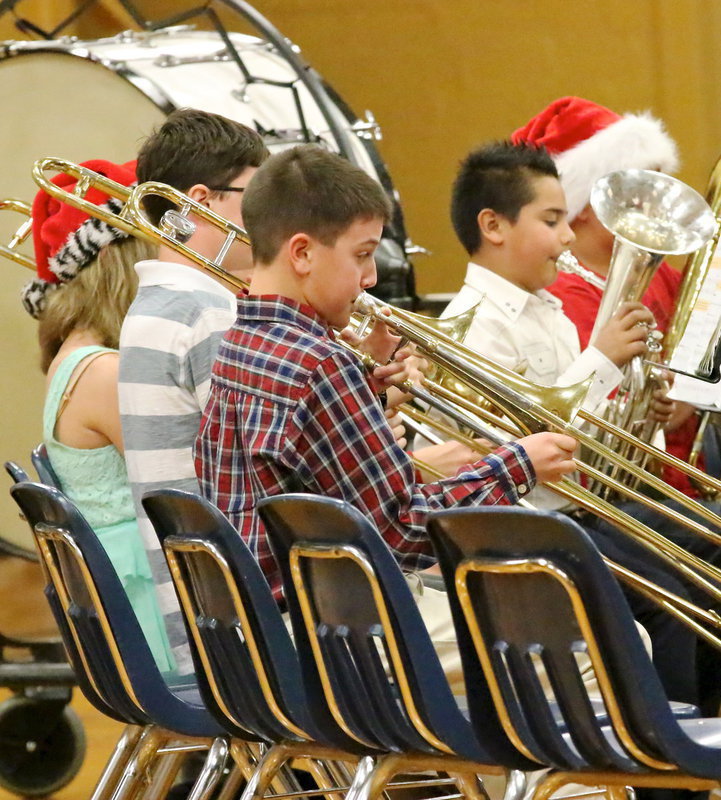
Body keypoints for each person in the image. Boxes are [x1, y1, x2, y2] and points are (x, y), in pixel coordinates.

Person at [192, 143, 598, 696]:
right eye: (362, 255)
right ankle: (548, 785)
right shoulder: (319, 363)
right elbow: (402, 532)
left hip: (264, 632)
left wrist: (369, 398)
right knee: (596, 642)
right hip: (336, 635)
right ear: (303, 253)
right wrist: (517, 464)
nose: (369, 279)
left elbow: (313, 479)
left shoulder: (241, 343)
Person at [443, 139, 721, 713]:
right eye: (552, 221)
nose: (569, 237)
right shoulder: (472, 326)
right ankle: (670, 758)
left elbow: (590, 435)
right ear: (493, 226)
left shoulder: (549, 312)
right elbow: (514, 445)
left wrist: (646, 410)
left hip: (582, 506)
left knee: (713, 539)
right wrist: (603, 360)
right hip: (534, 524)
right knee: (669, 601)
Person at [118, 108, 269, 674]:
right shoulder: (207, 312)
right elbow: (274, 468)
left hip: (199, 616)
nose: (271, 220)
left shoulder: (155, 304)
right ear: (202, 202)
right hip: (247, 625)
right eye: (256, 201)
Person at [22, 159, 174, 673]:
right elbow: (197, 481)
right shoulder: (104, 371)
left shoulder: (78, 355)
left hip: (133, 601)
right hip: (153, 615)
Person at [510, 95, 700, 497]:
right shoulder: (560, 293)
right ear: (581, 206)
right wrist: (666, 406)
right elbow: (598, 413)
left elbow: (695, 342)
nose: (654, 205)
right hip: (638, 488)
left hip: (689, 462)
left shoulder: (658, 271)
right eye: (637, 191)